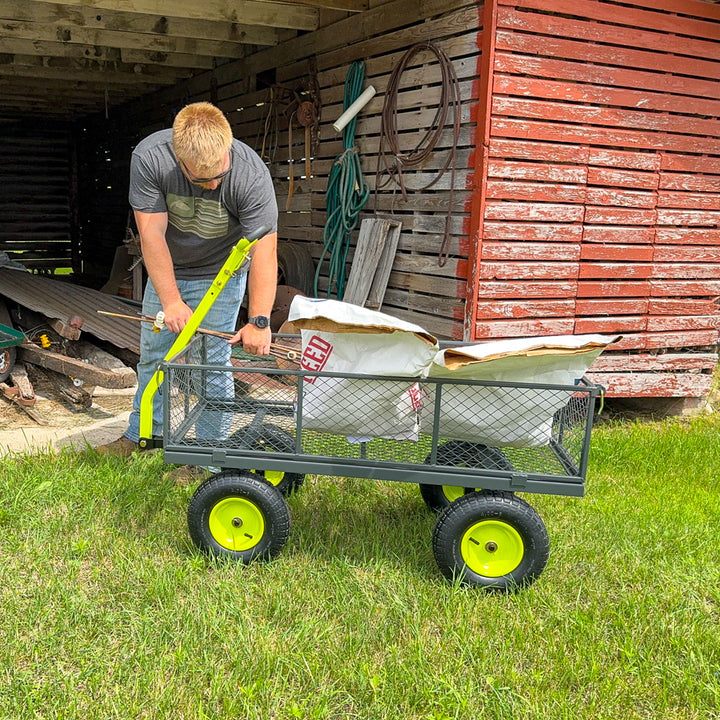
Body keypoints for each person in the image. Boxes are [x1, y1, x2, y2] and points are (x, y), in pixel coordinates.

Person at [98, 102, 278, 481]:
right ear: (179, 160)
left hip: (222, 274)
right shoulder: (150, 159)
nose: (213, 185)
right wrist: (171, 300)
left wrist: (259, 320)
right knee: (154, 356)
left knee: (210, 364)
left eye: (219, 176)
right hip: (170, 270)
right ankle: (145, 434)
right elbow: (151, 235)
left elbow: (265, 252)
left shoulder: (250, 175)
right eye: (201, 181)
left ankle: (208, 457)